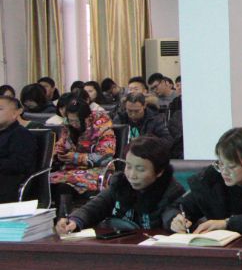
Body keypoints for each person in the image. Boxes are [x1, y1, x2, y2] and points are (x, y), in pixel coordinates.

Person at [55, 135, 183, 233]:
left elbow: (171, 214)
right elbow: (94, 208)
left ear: (159, 172)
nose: (132, 175)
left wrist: (175, 222)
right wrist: (75, 221)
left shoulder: (171, 191)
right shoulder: (120, 184)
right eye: (129, 166)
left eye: (140, 169)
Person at [49, 100, 116, 212]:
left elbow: (106, 157)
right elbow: (61, 144)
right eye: (70, 120)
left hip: (97, 171)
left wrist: (76, 157)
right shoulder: (68, 127)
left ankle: (64, 217)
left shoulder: (103, 128)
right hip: (71, 170)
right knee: (47, 181)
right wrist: (58, 154)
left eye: (76, 121)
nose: (73, 124)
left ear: (87, 118)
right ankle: (53, 217)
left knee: (64, 184)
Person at [0, 96, 39, 202]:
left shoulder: (21, 135)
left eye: (0, 109)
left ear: (15, 113)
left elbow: (21, 165)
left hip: (9, 183)